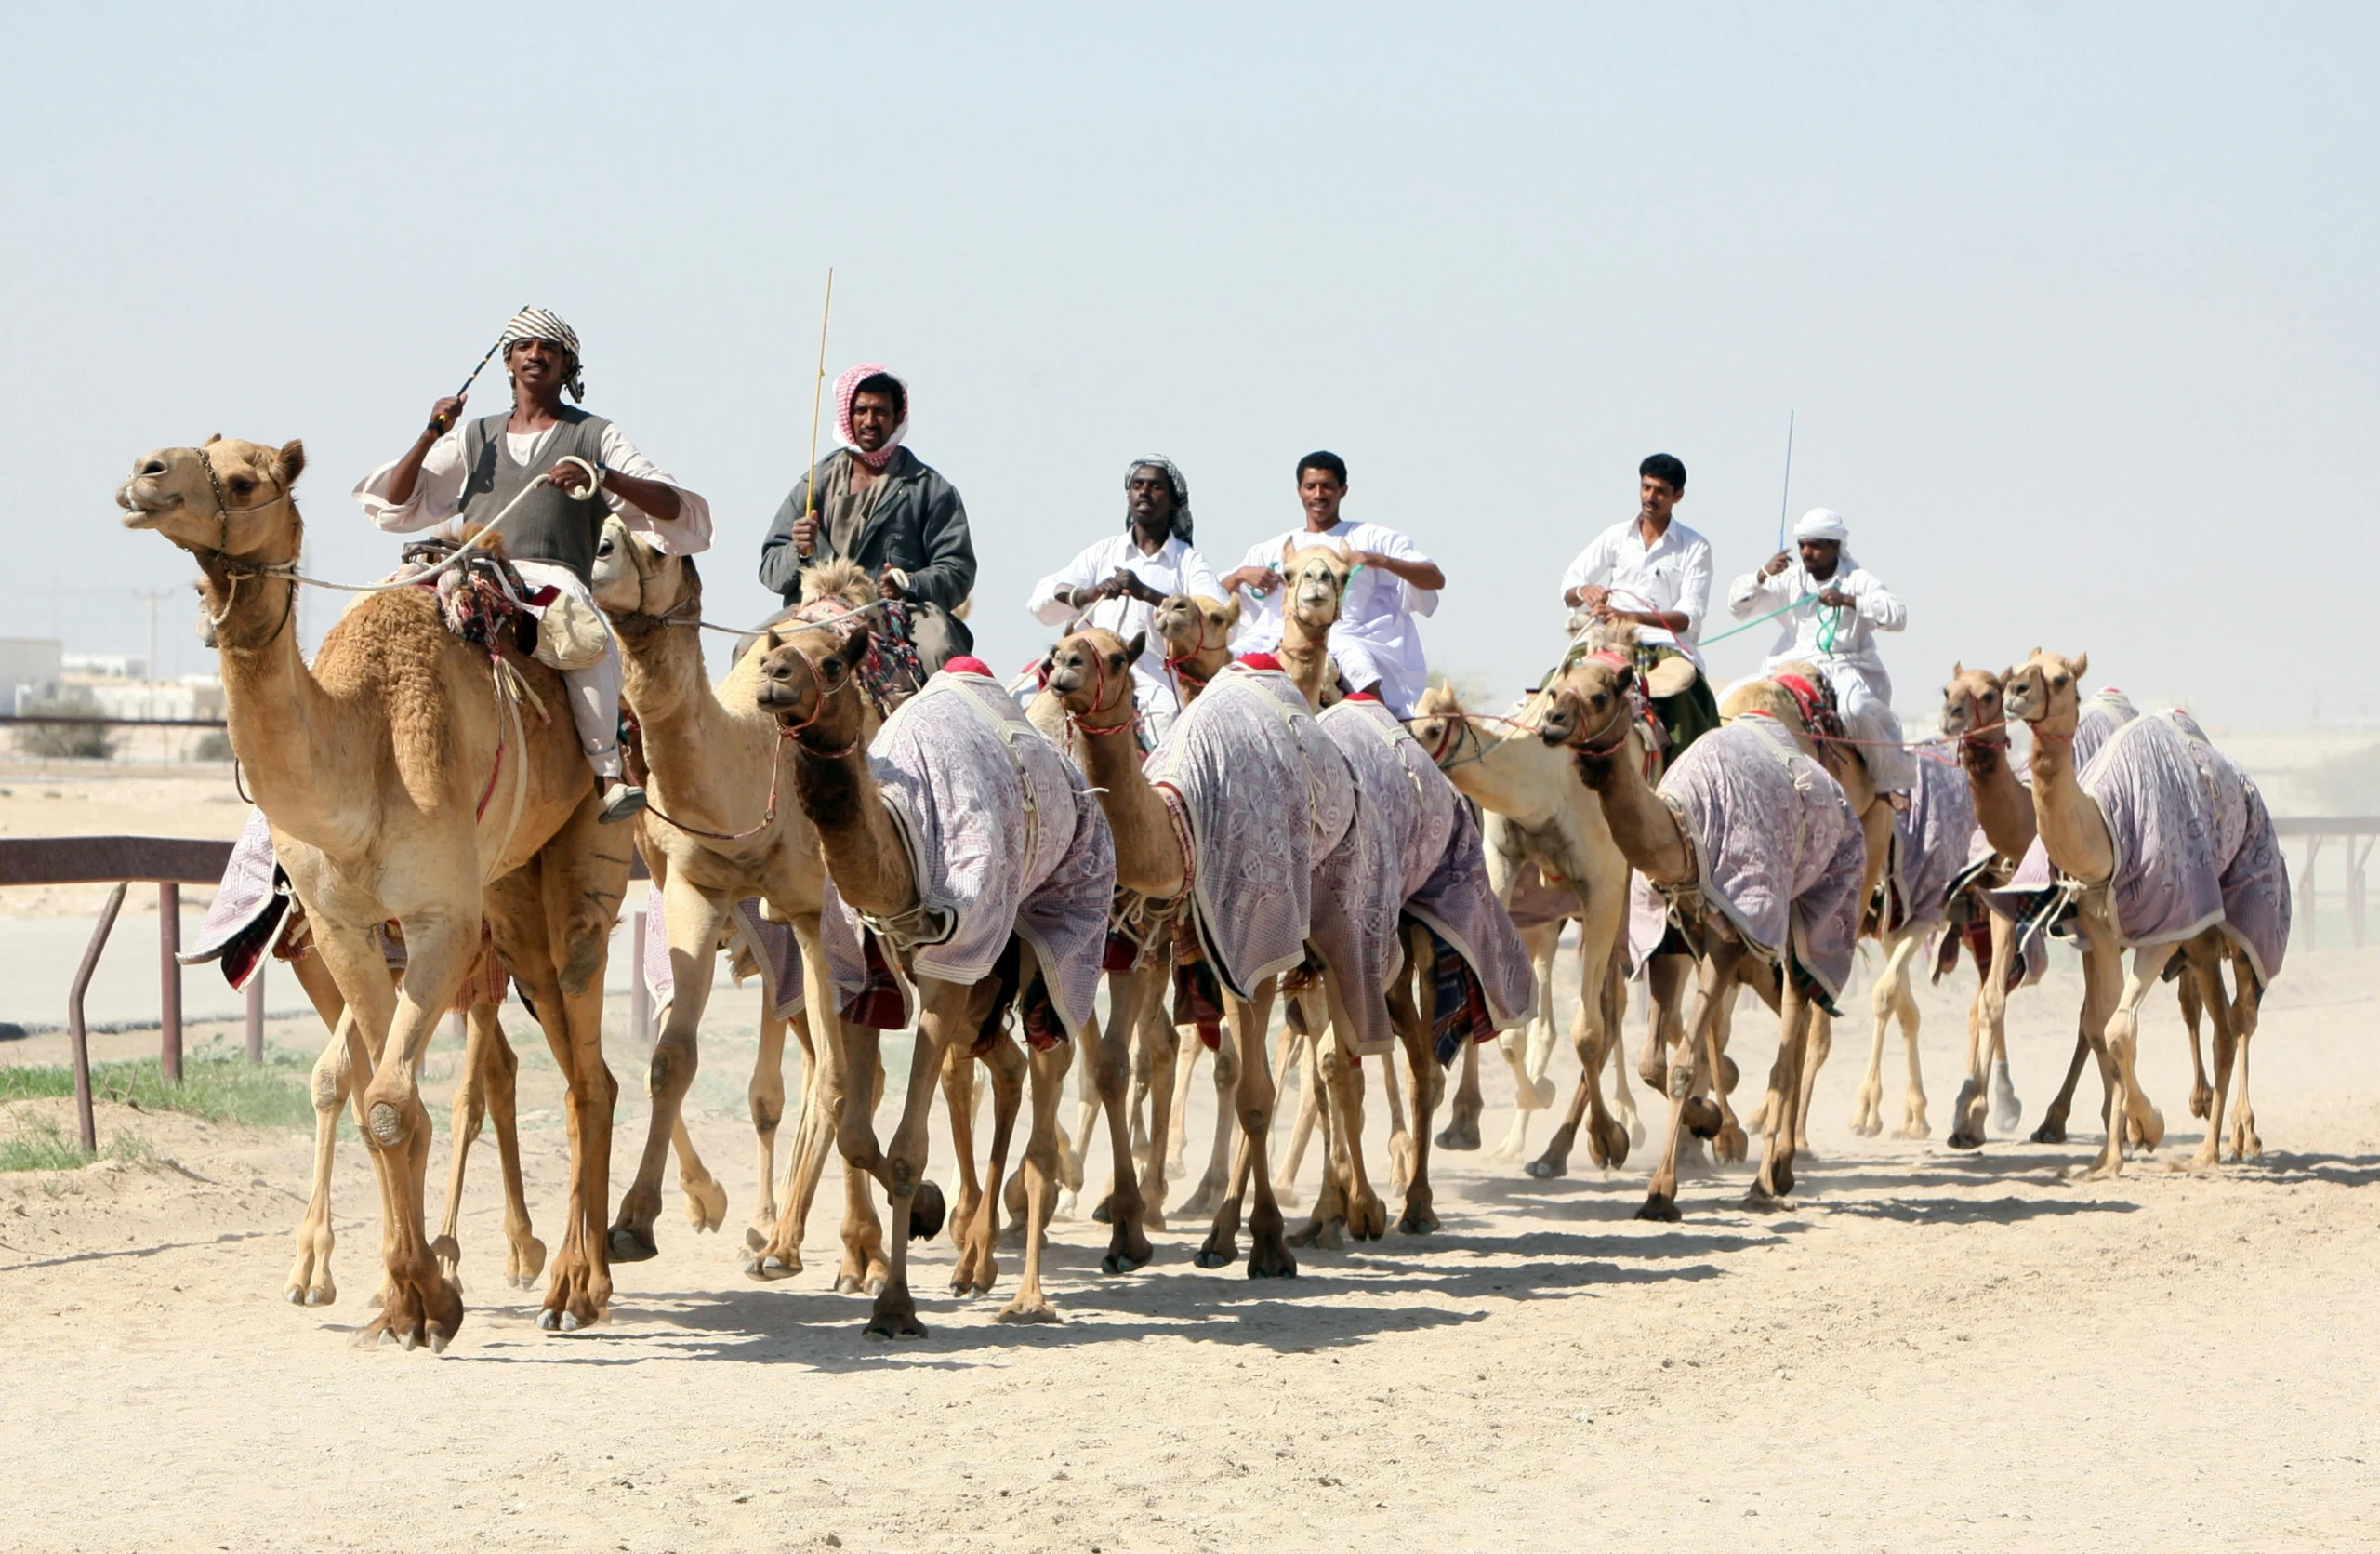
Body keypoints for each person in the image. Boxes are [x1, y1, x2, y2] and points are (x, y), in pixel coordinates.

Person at [356, 306, 711, 823]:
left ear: (568, 367)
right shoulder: (473, 436)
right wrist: (432, 432)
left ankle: (608, 774)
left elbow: (673, 506)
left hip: (550, 579)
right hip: (465, 563)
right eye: (524, 346)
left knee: (586, 646)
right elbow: (396, 498)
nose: (535, 354)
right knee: (379, 610)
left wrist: (600, 473)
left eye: (549, 347)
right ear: (507, 362)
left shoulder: (595, 436)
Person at [757, 363, 977, 669]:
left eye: (880, 412)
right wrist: (799, 551)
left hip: (901, 615)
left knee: (941, 654)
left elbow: (958, 570)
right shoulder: (815, 483)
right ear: (848, 415)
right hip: (817, 612)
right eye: (861, 410)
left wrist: (909, 584)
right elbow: (770, 569)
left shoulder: (931, 490)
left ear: (898, 417)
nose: (869, 421)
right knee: (748, 650)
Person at [1219, 451, 1446, 717]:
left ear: (1343, 490)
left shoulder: (1370, 537)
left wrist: (1382, 561)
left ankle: (1388, 735)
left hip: (1345, 636)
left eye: (1327, 486)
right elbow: (1215, 599)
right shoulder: (1272, 549)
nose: (1318, 494)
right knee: (1221, 665)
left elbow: (1434, 578)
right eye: (1310, 486)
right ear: (1299, 491)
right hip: (1275, 637)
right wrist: (1241, 576)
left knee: (1358, 666)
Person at [1726, 507, 1915, 800]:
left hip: (1842, 666)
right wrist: (1762, 574)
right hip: (1789, 666)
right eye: (1802, 545)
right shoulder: (1789, 579)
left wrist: (1850, 601)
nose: (1806, 552)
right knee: (1728, 700)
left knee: (1856, 711)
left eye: (1815, 545)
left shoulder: (1858, 579)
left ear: (1835, 546)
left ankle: (1886, 784)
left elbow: (1898, 616)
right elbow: (1737, 607)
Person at [1025, 458, 1220, 738]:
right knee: (1032, 724)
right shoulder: (1103, 553)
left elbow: (1215, 617)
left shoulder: (1188, 563)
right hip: (1089, 675)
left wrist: (1147, 594)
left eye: (1155, 487)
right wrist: (1088, 595)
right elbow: (1042, 600)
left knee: (1166, 721)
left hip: (1153, 684)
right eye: (1137, 485)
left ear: (1174, 501)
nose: (1144, 492)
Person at [1558, 452, 1720, 754]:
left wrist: (1631, 616)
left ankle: (1688, 785)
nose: (1650, 496)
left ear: (1678, 495)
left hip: (1665, 647)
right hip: (1607, 642)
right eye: (1646, 487)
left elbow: (1689, 615)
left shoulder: (1695, 547)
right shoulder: (1616, 536)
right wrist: (1585, 592)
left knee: (1687, 705)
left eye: (1660, 490)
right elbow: (1569, 584)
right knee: (1555, 686)